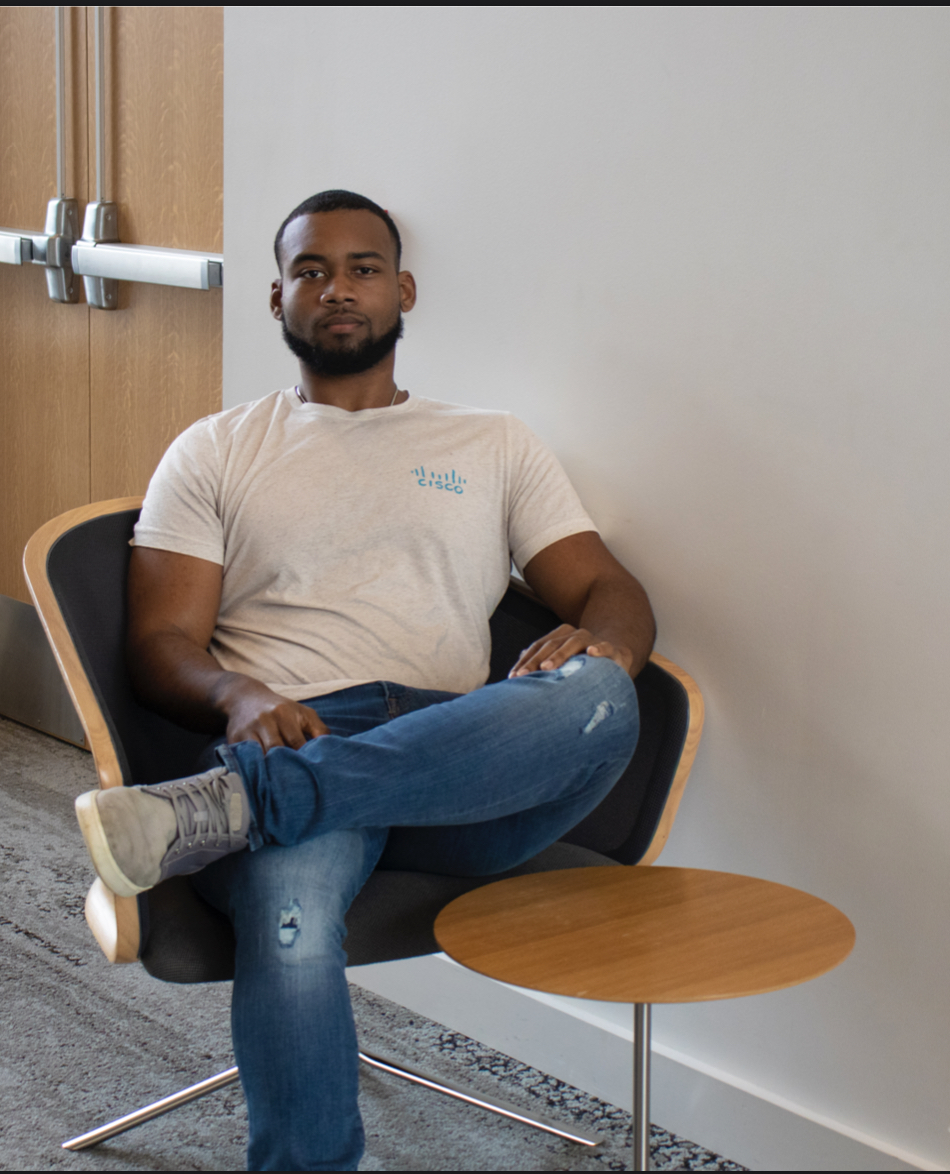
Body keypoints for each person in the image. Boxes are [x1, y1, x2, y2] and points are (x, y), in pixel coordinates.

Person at [75, 189, 656, 1171]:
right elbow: (161, 642)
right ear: (276, 299)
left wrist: (602, 642)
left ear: (404, 290)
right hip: (294, 728)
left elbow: (609, 588)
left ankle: (234, 807)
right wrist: (239, 697)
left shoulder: (493, 444)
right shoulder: (216, 449)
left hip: (464, 767)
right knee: (289, 918)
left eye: (362, 267)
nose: (337, 289)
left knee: (606, 696)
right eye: (311, 271)